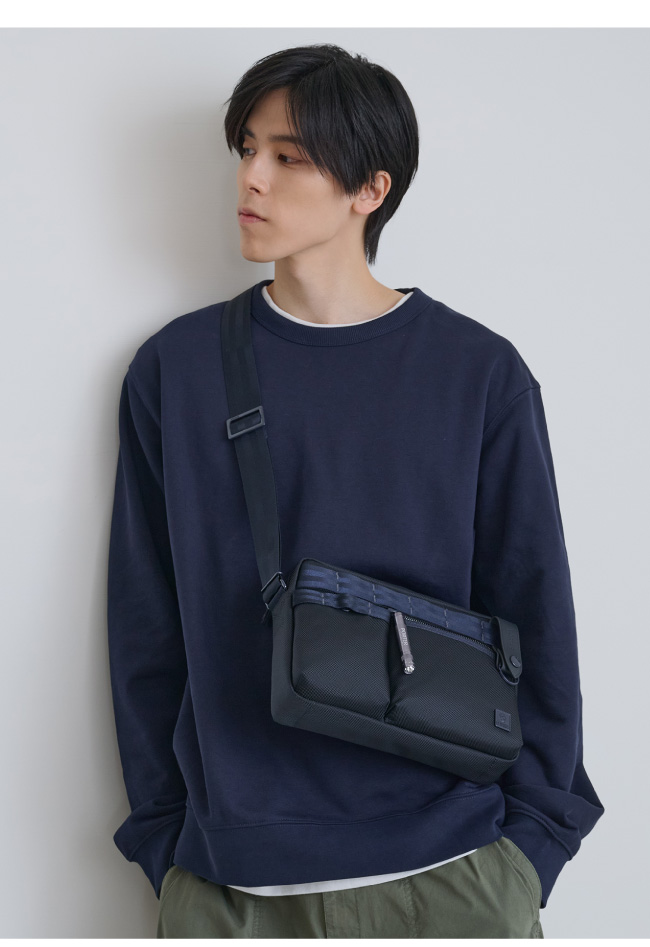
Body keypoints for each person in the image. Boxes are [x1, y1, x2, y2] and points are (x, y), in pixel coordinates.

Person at [107, 43, 605, 938]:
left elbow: (537, 617)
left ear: (371, 189)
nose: (252, 177)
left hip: (452, 874)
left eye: (289, 156)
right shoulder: (176, 371)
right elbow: (145, 623)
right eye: (247, 148)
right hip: (232, 887)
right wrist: (163, 842)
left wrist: (532, 848)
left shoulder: (477, 374)